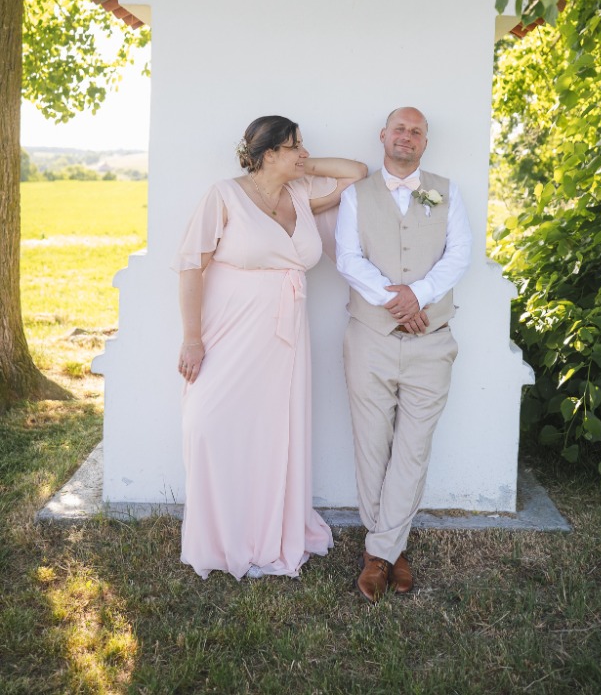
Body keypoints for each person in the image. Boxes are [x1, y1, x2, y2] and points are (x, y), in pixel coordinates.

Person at [173, 115, 366, 581]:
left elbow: (357, 173)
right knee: (209, 425)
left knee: (273, 431)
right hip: (228, 332)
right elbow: (189, 267)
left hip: (284, 339)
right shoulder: (224, 194)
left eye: (303, 145)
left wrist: (305, 164)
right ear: (267, 153)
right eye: (294, 146)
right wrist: (193, 338)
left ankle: (269, 529)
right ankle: (221, 536)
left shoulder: (301, 194)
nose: (304, 152)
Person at [335, 106, 472, 601]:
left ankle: (379, 554)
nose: (407, 137)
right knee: (372, 446)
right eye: (400, 128)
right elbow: (348, 258)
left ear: (425, 142)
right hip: (369, 338)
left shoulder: (447, 191)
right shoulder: (355, 195)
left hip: (432, 342)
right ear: (383, 136)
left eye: (417, 131)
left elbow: (460, 253)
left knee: (412, 449)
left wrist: (420, 294)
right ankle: (389, 552)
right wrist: (397, 302)